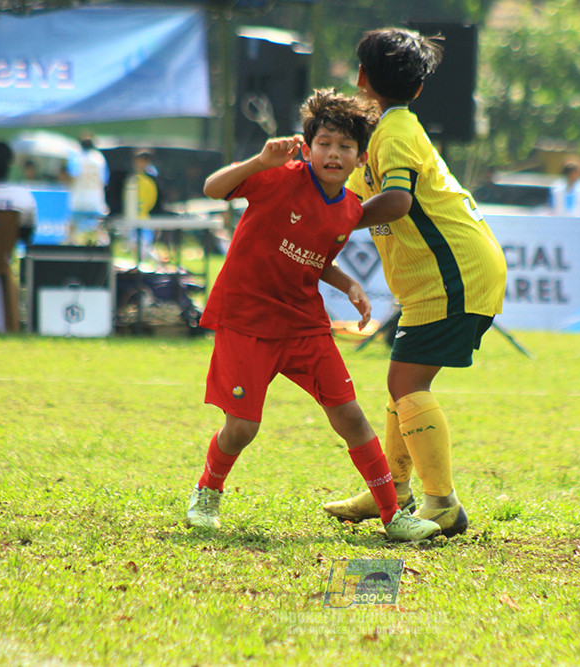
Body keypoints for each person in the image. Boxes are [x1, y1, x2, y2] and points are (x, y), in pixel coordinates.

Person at [186, 89, 442, 543]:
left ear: (361, 159)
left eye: (345, 146)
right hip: (246, 320)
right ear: (307, 148)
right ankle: (207, 492)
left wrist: (348, 284)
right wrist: (258, 162)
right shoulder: (277, 175)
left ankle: (392, 515)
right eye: (324, 143)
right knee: (242, 428)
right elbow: (213, 189)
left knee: (351, 417)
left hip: (303, 325)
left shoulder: (349, 210)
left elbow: (315, 256)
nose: (333, 154)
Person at [323, 28, 507, 538]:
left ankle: (441, 503)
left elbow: (397, 201)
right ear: (420, 88)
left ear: (361, 77)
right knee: (400, 383)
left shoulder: (396, 131)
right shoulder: (381, 134)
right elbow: (344, 198)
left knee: (407, 384)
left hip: (456, 275)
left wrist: (339, 221)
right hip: (443, 278)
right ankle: (393, 491)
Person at [65, 134, 110, 234]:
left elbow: (72, 177)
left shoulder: (77, 157)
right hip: (95, 200)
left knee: (72, 230)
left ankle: (69, 243)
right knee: (99, 231)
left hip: (78, 200)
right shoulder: (99, 158)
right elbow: (104, 181)